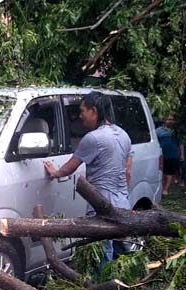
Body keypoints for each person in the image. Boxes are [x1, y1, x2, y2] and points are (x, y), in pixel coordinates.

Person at [44, 91, 132, 263]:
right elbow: (128, 171)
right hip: (123, 203)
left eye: (82, 110)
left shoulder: (93, 138)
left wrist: (55, 172)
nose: (80, 115)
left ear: (94, 111)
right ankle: (124, 288)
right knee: (122, 255)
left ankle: (102, 289)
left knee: (102, 256)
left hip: (101, 206)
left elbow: (70, 167)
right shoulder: (123, 135)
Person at [156, 114, 182, 195]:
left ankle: (166, 189)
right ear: (165, 120)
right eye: (168, 119)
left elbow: (181, 143)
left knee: (169, 173)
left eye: (172, 120)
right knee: (162, 173)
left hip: (173, 155)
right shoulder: (158, 130)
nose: (170, 121)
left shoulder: (177, 131)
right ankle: (161, 187)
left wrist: (182, 154)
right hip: (161, 155)